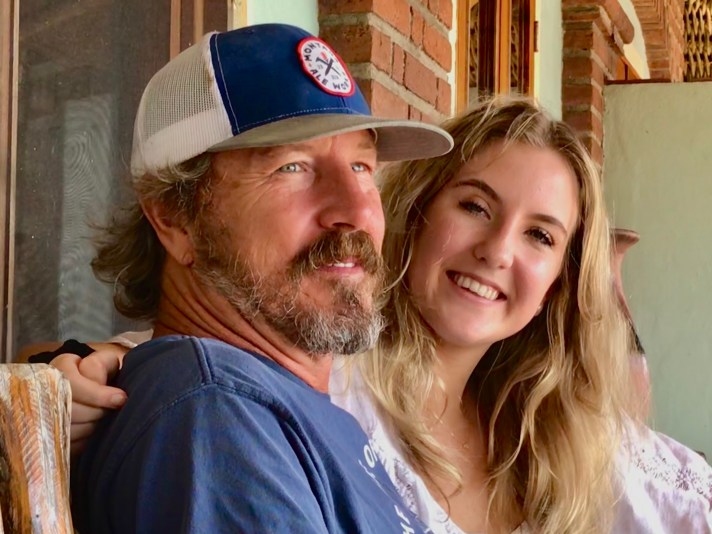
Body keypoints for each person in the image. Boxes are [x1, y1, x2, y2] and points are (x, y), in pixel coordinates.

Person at [55, 98, 712, 533]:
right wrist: (82, 368)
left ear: (561, 281)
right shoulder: (330, 373)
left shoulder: (563, 429)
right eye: (475, 207)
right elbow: (208, 361)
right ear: (415, 212)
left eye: (540, 235)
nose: (497, 251)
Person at [67, 23, 456, 533]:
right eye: (292, 167)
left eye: (363, 167)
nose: (357, 212)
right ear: (174, 218)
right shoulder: (214, 418)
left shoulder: (285, 404)